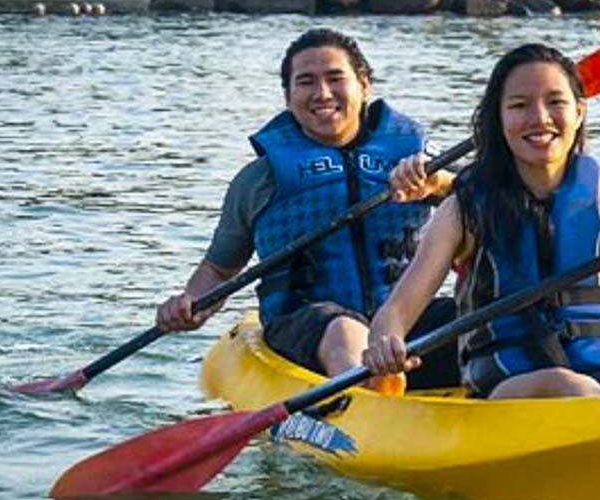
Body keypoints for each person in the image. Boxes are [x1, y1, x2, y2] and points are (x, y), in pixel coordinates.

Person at [364, 43, 600, 398]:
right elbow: (396, 313)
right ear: (499, 120)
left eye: (555, 102)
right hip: (511, 383)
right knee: (568, 385)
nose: (540, 118)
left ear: (579, 111)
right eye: (519, 106)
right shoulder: (464, 209)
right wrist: (386, 343)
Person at [155, 28, 459, 390]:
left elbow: (492, 204)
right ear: (288, 97)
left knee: (488, 316)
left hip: (402, 321)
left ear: (364, 86)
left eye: (335, 78)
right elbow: (219, 268)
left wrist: (441, 185)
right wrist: (192, 302)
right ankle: (369, 400)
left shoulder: (420, 163)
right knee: (345, 332)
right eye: (306, 82)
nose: (322, 93)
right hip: (307, 324)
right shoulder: (258, 180)